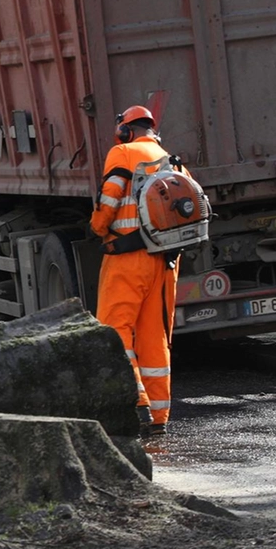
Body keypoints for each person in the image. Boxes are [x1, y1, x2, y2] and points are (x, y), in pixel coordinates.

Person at [91, 105, 183, 437]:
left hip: (126, 259)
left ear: (125, 131)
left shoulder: (123, 153)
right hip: (164, 262)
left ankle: (137, 401)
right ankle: (159, 418)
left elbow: (111, 195)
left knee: (114, 331)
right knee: (154, 338)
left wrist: (99, 226)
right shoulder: (171, 160)